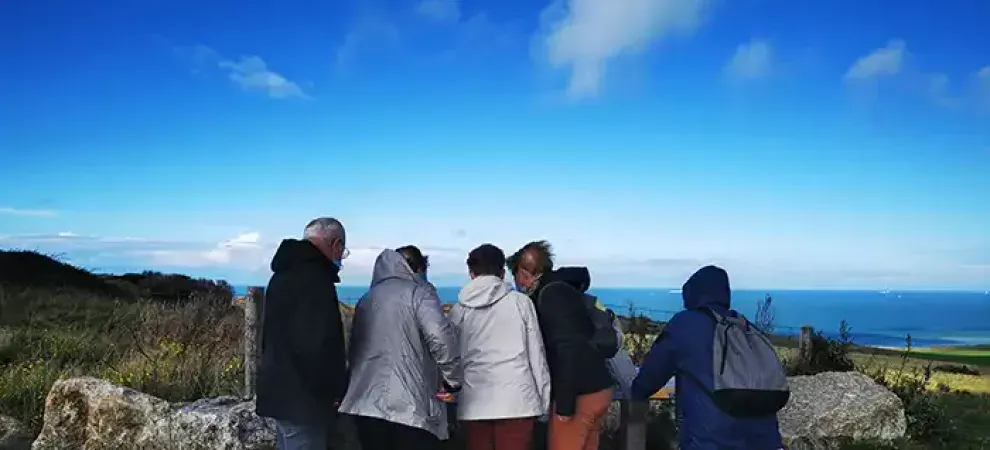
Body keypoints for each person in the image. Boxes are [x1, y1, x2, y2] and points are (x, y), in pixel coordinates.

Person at [630, 265, 785, 450]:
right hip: (767, 441)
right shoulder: (744, 326)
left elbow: (652, 374)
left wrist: (635, 394)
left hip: (711, 441)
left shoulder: (685, 324)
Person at [337, 249, 463, 450]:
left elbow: (355, 347)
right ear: (419, 268)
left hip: (365, 405)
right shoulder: (419, 293)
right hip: (411, 408)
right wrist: (453, 380)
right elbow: (440, 336)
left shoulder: (366, 299)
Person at [256, 217, 350, 450]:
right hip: (304, 400)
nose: (341, 257)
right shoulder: (315, 280)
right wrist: (334, 391)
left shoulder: (282, 274)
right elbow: (318, 345)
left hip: (279, 390)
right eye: (343, 251)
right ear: (335, 244)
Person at [511, 240, 614, 450]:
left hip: (579, 394)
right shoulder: (564, 289)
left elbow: (567, 349)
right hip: (596, 387)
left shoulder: (551, 295)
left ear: (525, 271)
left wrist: (565, 405)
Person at [448, 244, 552, 450]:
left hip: (474, 404)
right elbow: (537, 357)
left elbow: (452, 360)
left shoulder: (458, 311)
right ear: (503, 273)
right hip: (518, 403)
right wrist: (544, 403)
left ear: (471, 273)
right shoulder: (521, 303)